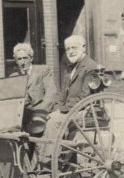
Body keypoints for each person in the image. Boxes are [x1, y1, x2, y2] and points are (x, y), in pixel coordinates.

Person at [39, 35, 99, 165]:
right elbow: (62, 94)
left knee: (53, 122)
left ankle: (49, 161)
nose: (70, 51)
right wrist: (57, 109)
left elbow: (84, 96)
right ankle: (45, 158)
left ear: (83, 48)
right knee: (45, 118)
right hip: (70, 110)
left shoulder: (90, 67)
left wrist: (62, 111)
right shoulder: (70, 67)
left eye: (74, 47)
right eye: (67, 49)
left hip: (83, 111)